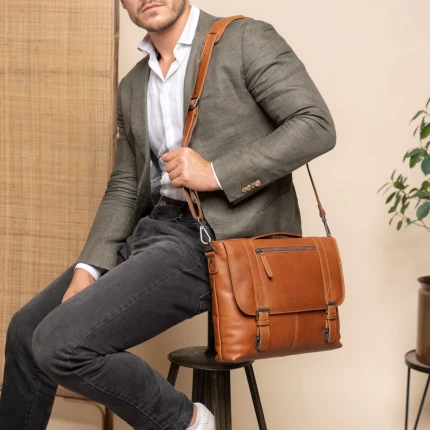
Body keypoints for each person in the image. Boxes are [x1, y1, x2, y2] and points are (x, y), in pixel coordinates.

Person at [0, 0, 336, 429]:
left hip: (221, 240)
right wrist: (89, 267)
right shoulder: (133, 84)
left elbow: (315, 124)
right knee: (26, 332)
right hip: (155, 229)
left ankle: (187, 422)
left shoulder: (245, 39)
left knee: (59, 343)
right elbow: (126, 185)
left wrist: (215, 172)